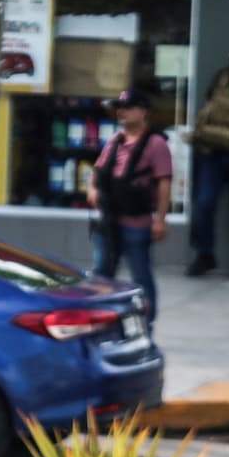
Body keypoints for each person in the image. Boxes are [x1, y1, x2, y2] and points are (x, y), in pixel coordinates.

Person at [86, 88, 172, 323]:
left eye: (127, 108)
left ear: (143, 112)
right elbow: (96, 171)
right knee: (101, 278)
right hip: (108, 222)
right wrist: (93, 190)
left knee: (141, 278)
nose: (121, 112)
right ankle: (99, 324)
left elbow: (164, 182)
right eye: (119, 108)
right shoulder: (115, 140)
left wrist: (160, 219)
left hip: (137, 225)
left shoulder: (156, 144)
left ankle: (146, 325)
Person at [187, 58, 229, 276]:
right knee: (203, 205)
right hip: (212, 152)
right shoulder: (221, 77)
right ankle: (205, 255)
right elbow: (207, 108)